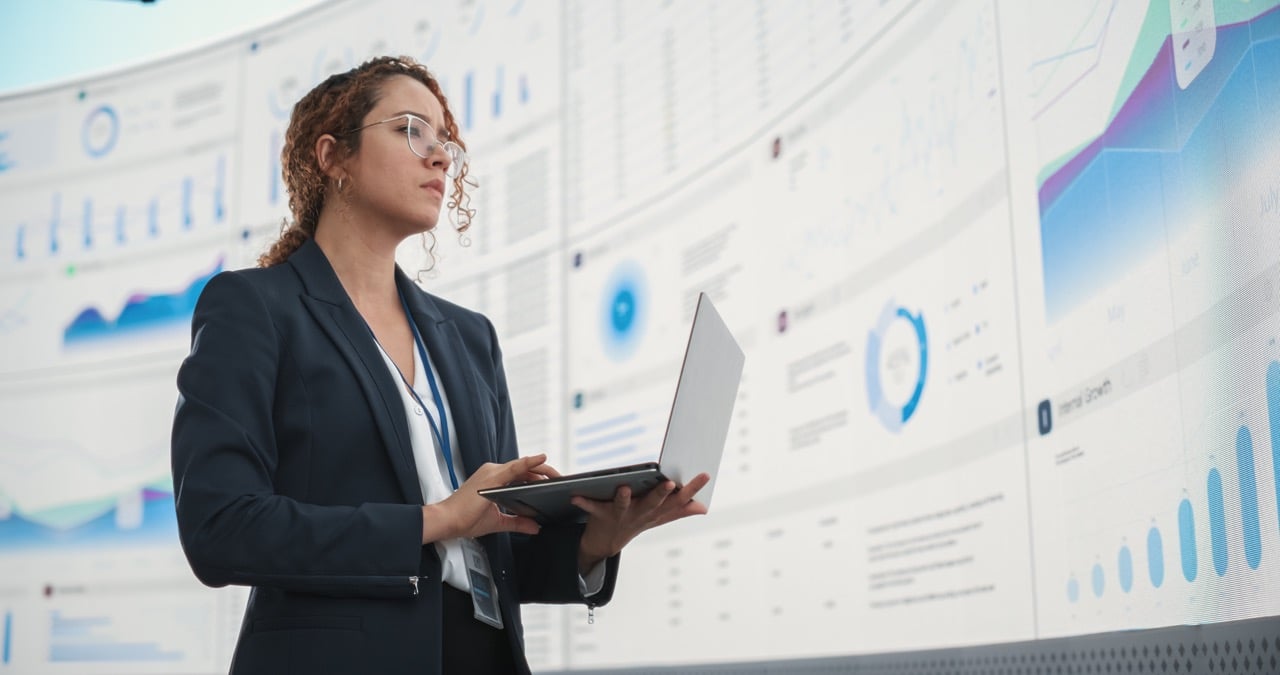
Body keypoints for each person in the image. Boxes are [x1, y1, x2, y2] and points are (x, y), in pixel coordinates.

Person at [171, 55, 710, 675]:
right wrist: (434, 520)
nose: (439, 156)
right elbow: (219, 527)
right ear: (332, 157)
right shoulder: (255, 308)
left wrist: (598, 540)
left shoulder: (470, 338)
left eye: (443, 139)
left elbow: (500, 552)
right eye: (410, 129)